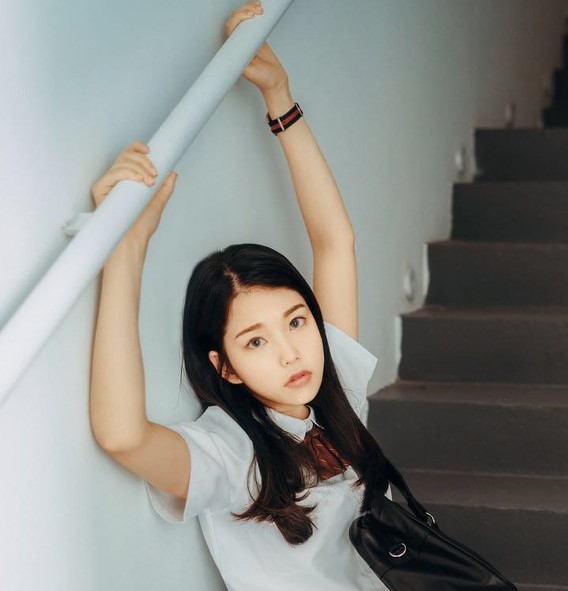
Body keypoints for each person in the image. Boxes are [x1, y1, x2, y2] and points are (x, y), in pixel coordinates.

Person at [89, 2, 392, 589]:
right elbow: (122, 435)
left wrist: (280, 96)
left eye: (296, 322)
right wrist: (124, 249)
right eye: (255, 341)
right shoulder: (230, 453)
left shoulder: (335, 391)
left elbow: (335, 243)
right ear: (223, 365)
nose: (290, 352)